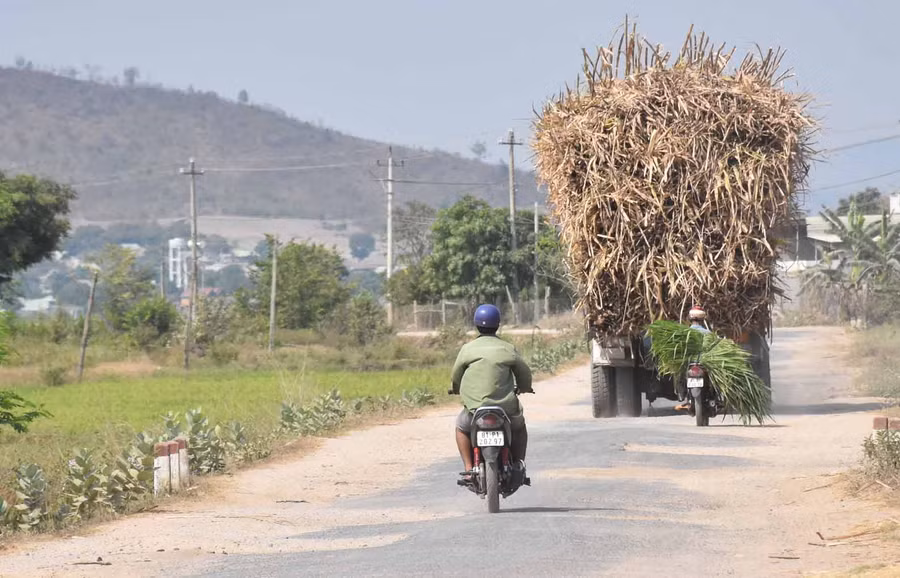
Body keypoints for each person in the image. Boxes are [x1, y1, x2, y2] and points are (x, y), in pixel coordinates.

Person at [450, 304, 533, 477]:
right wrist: (524, 387)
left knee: (461, 427)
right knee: (519, 427)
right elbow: (524, 372)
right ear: (498, 324)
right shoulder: (507, 348)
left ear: (476, 324)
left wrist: (455, 389)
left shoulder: (467, 349)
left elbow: (456, 374)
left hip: (475, 409)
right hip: (506, 409)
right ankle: (518, 464)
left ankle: (468, 468)